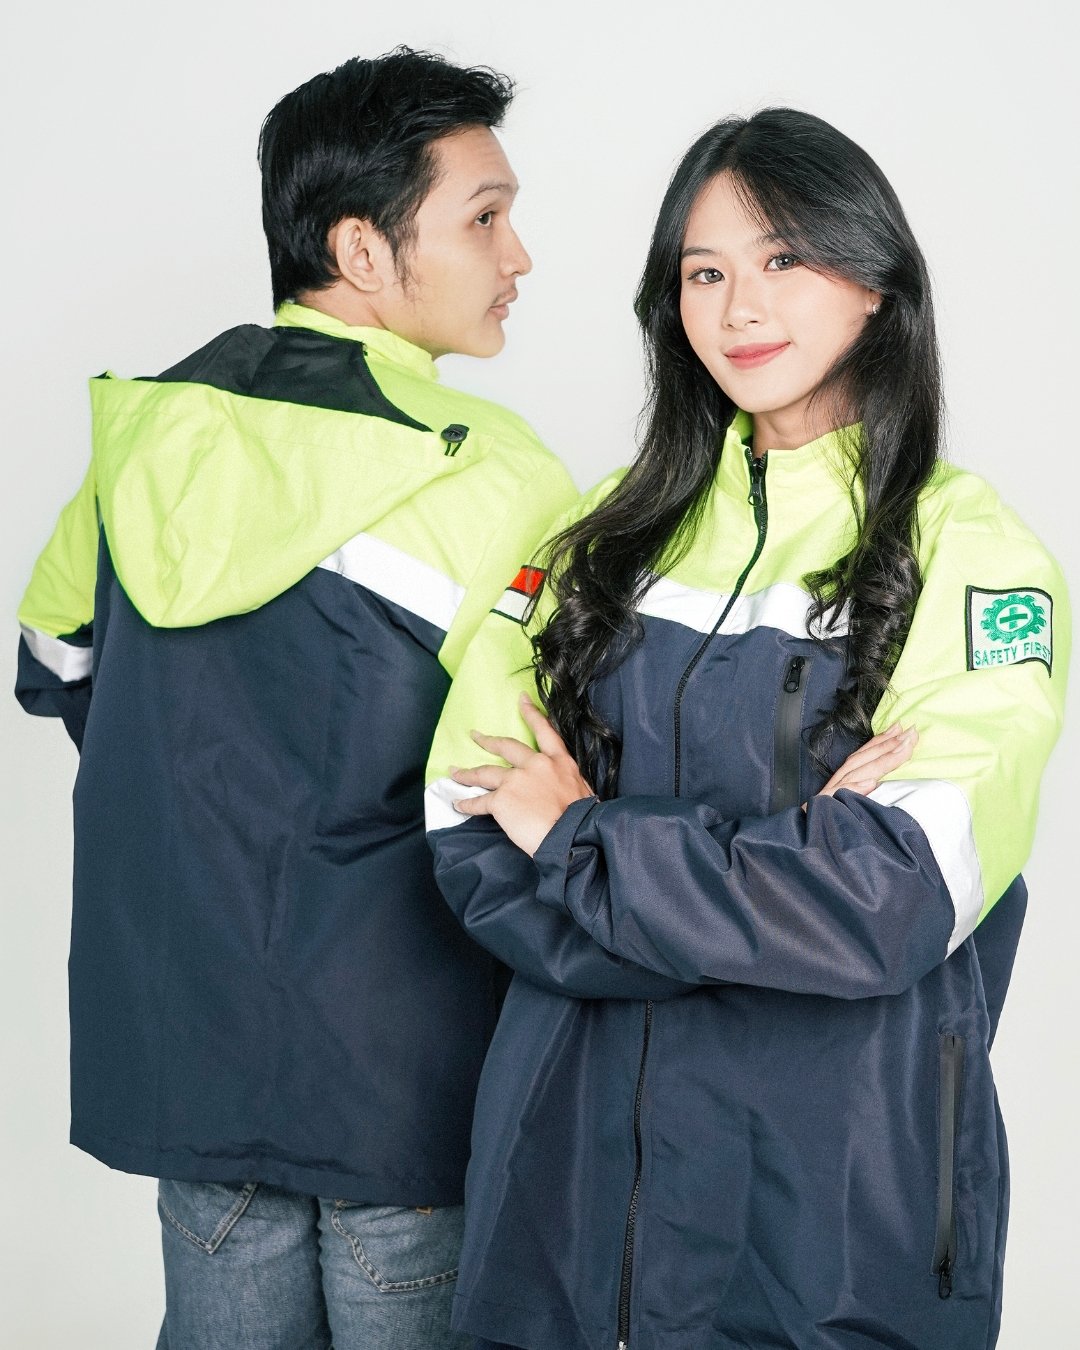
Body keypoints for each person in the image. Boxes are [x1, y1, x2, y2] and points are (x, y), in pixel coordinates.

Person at [424, 107, 1069, 1348]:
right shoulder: (597, 540)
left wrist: (587, 842)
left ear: (874, 279)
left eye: (784, 258)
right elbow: (468, 834)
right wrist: (777, 879)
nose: (739, 308)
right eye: (705, 272)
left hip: (831, 1211)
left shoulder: (975, 555)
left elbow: (893, 896)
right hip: (569, 1187)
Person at [14, 47, 576, 1350]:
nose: (519, 255)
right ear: (362, 250)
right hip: (404, 1075)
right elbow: (532, 776)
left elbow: (56, 666)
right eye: (485, 217)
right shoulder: (498, 478)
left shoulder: (144, 438)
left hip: (190, 1046)